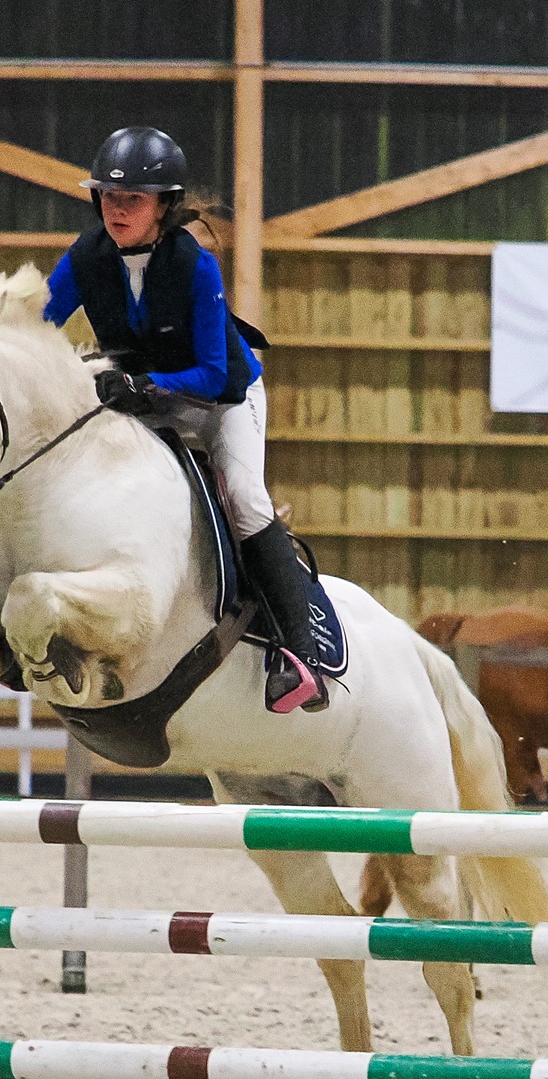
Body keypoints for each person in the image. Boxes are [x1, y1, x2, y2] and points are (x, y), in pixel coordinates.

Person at [40, 126, 328, 714]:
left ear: (163, 207)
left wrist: (144, 385)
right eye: (109, 198)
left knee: (245, 499)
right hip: (141, 399)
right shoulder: (86, 256)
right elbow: (37, 322)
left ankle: (302, 657)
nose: (117, 210)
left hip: (222, 399)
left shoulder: (194, 267)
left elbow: (214, 373)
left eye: (133, 200)